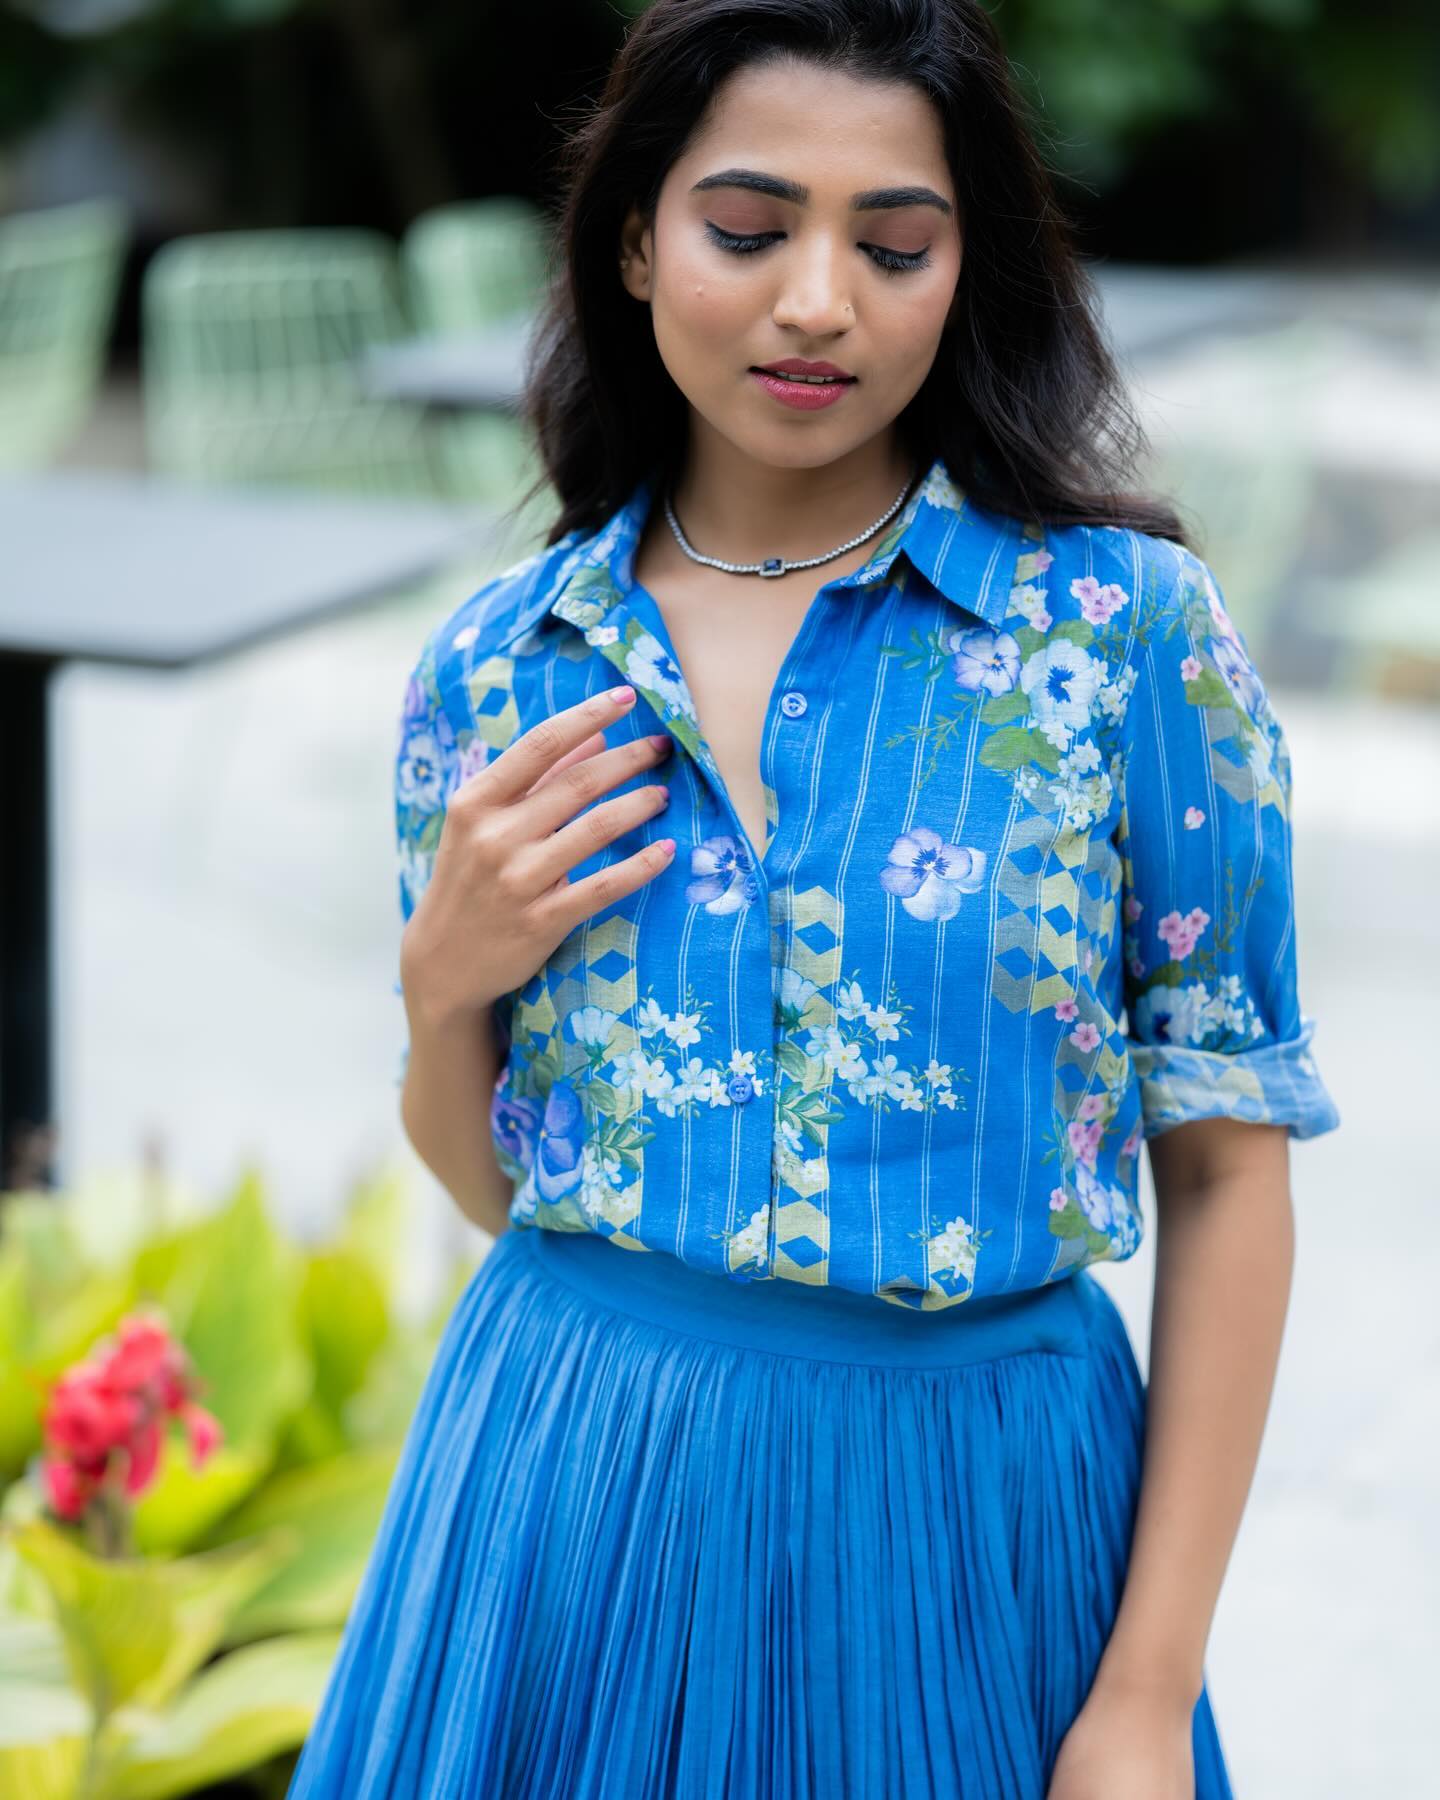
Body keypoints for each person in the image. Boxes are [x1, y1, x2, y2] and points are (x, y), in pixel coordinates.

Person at [288, 2, 1340, 1795]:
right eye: (748, 229)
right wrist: (440, 984)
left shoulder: (1120, 641)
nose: (818, 302)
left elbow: (1231, 1168)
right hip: (571, 1494)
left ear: (965, 269)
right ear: (636, 240)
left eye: (895, 246)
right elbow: (501, 1187)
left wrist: (1149, 1692)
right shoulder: (501, 666)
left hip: (979, 1522)